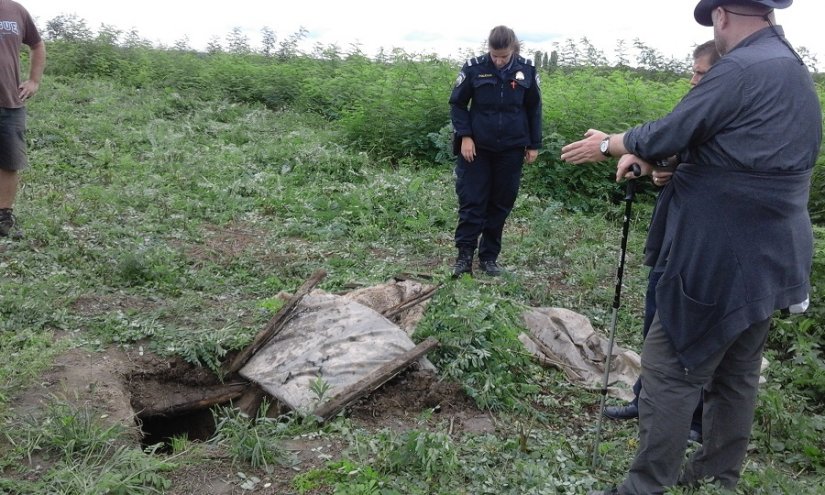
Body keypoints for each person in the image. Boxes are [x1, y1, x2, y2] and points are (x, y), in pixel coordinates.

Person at [560, 1, 821, 493]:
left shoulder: (742, 67)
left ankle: (644, 487)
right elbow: (740, 151)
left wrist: (612, 143)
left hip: (721, 254)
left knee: (669, 367)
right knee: (736, 374)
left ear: (721, 16)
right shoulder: (790, 68)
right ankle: (717, 475)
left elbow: (674, 128)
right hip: (773, 253)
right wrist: (669, 162)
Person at [602, 40, 722, 447]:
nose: (693, 79)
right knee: (656, 314)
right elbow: (677, 152)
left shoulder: (731, 109)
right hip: (675, 230)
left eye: (701, 72)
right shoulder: (699, 104)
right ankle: (644, 399)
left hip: (708, 242)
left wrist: (615, 144)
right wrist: (658, 167)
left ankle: (695, 420)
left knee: (694, 331)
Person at [448, 25, 542, 277]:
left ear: (513, 49)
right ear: (488, 49)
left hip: (511, 148)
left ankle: (489, 258)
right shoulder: (474, 68)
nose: (499, 61)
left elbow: (534, 108)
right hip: (476, 147)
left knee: (500, 203)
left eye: (503, 56)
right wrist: (465, 136)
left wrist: (534, 144)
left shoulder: (527, 70)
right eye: (494, 55)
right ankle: (464, 257)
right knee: (472, 201)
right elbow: (457, 103)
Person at [0, 0, 46, 239]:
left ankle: (3, 217)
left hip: (9, 102)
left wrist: (34, 80)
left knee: (9, 161)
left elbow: (37, 45)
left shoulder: (16, 10)